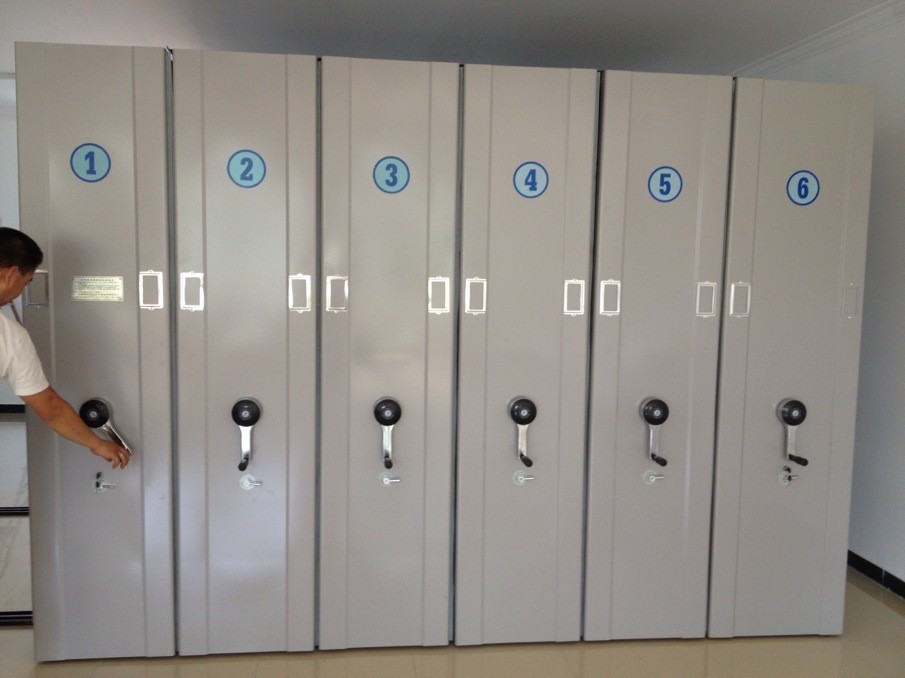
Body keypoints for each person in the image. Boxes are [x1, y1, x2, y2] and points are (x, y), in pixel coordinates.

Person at [0, 227, 131, 468]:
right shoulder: (9, 336)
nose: (20, 293)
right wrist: (97, 444)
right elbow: (50, 407)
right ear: (11, 274)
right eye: (26, 283)